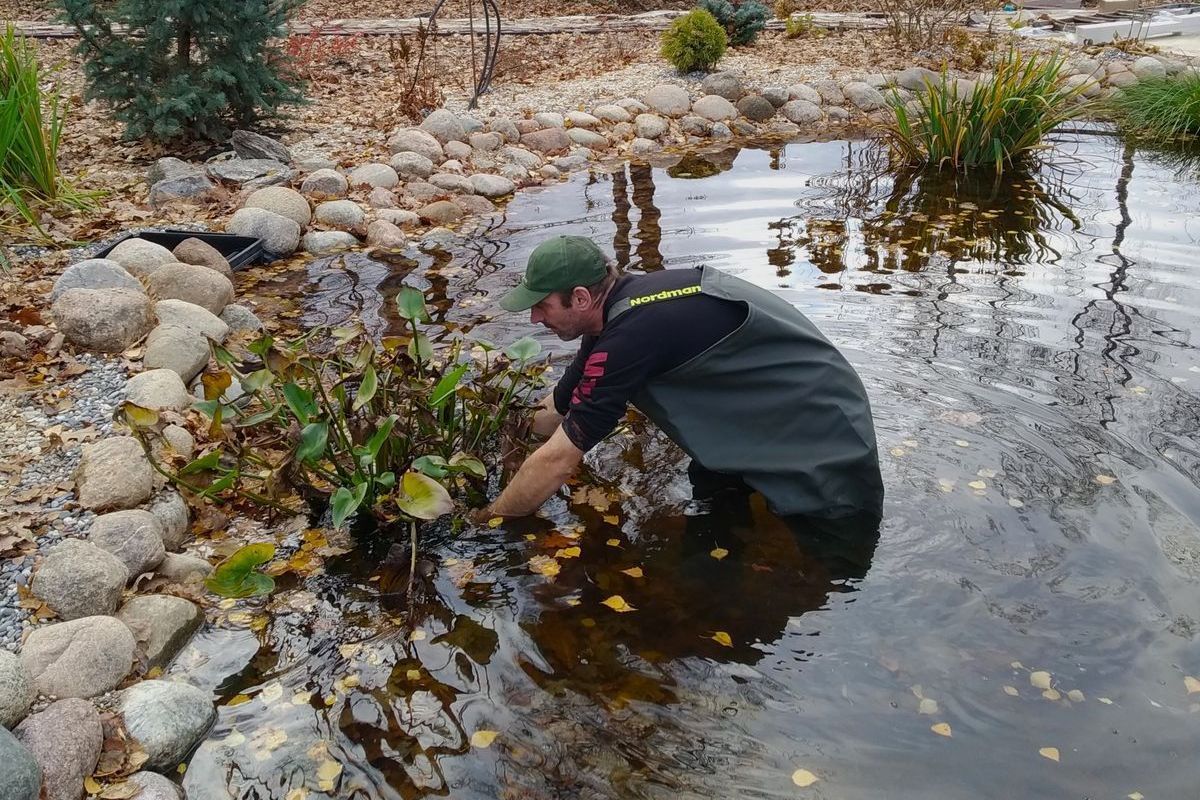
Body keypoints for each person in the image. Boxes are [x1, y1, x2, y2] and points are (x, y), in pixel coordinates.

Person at [476, 234, 884, 537]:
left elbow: (557, 462)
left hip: (824, 427)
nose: (534, 319)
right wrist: (499, 436)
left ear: (581, 298)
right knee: (715, 508)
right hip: (755, 416)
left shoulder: (631, 335)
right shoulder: (616, 317)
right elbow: (558, 409)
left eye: (541, 305)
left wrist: (485, 521)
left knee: (832, 550)